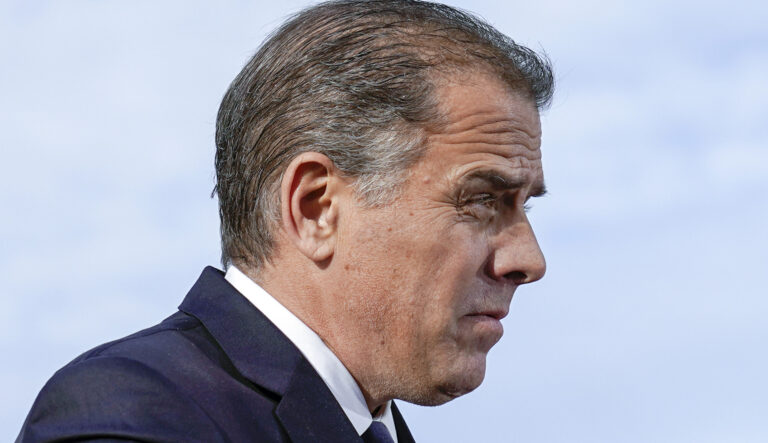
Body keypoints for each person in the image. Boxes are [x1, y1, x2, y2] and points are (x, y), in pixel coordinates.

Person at [18, 0, 553, 441]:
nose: (529, 261)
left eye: (523, 206)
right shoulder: (134, 419)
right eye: (483, 200)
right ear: (315, 208)